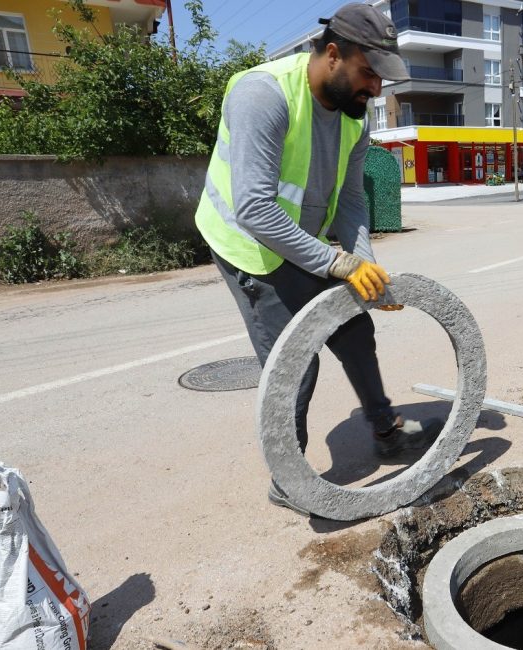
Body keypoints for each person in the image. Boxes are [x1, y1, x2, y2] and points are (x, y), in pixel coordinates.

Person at [195, 4, 440, 515]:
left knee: (354, 328)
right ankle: (290, 478)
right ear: (333, 55)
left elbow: (351, 202)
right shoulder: (262, 95)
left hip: (302, 238)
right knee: (294, 361)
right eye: (369, 73)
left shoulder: (353, 117)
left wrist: (365, 267)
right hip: (248, 245)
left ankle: (385, 428)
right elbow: (256, 209)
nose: (376, 90)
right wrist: (340, 265)